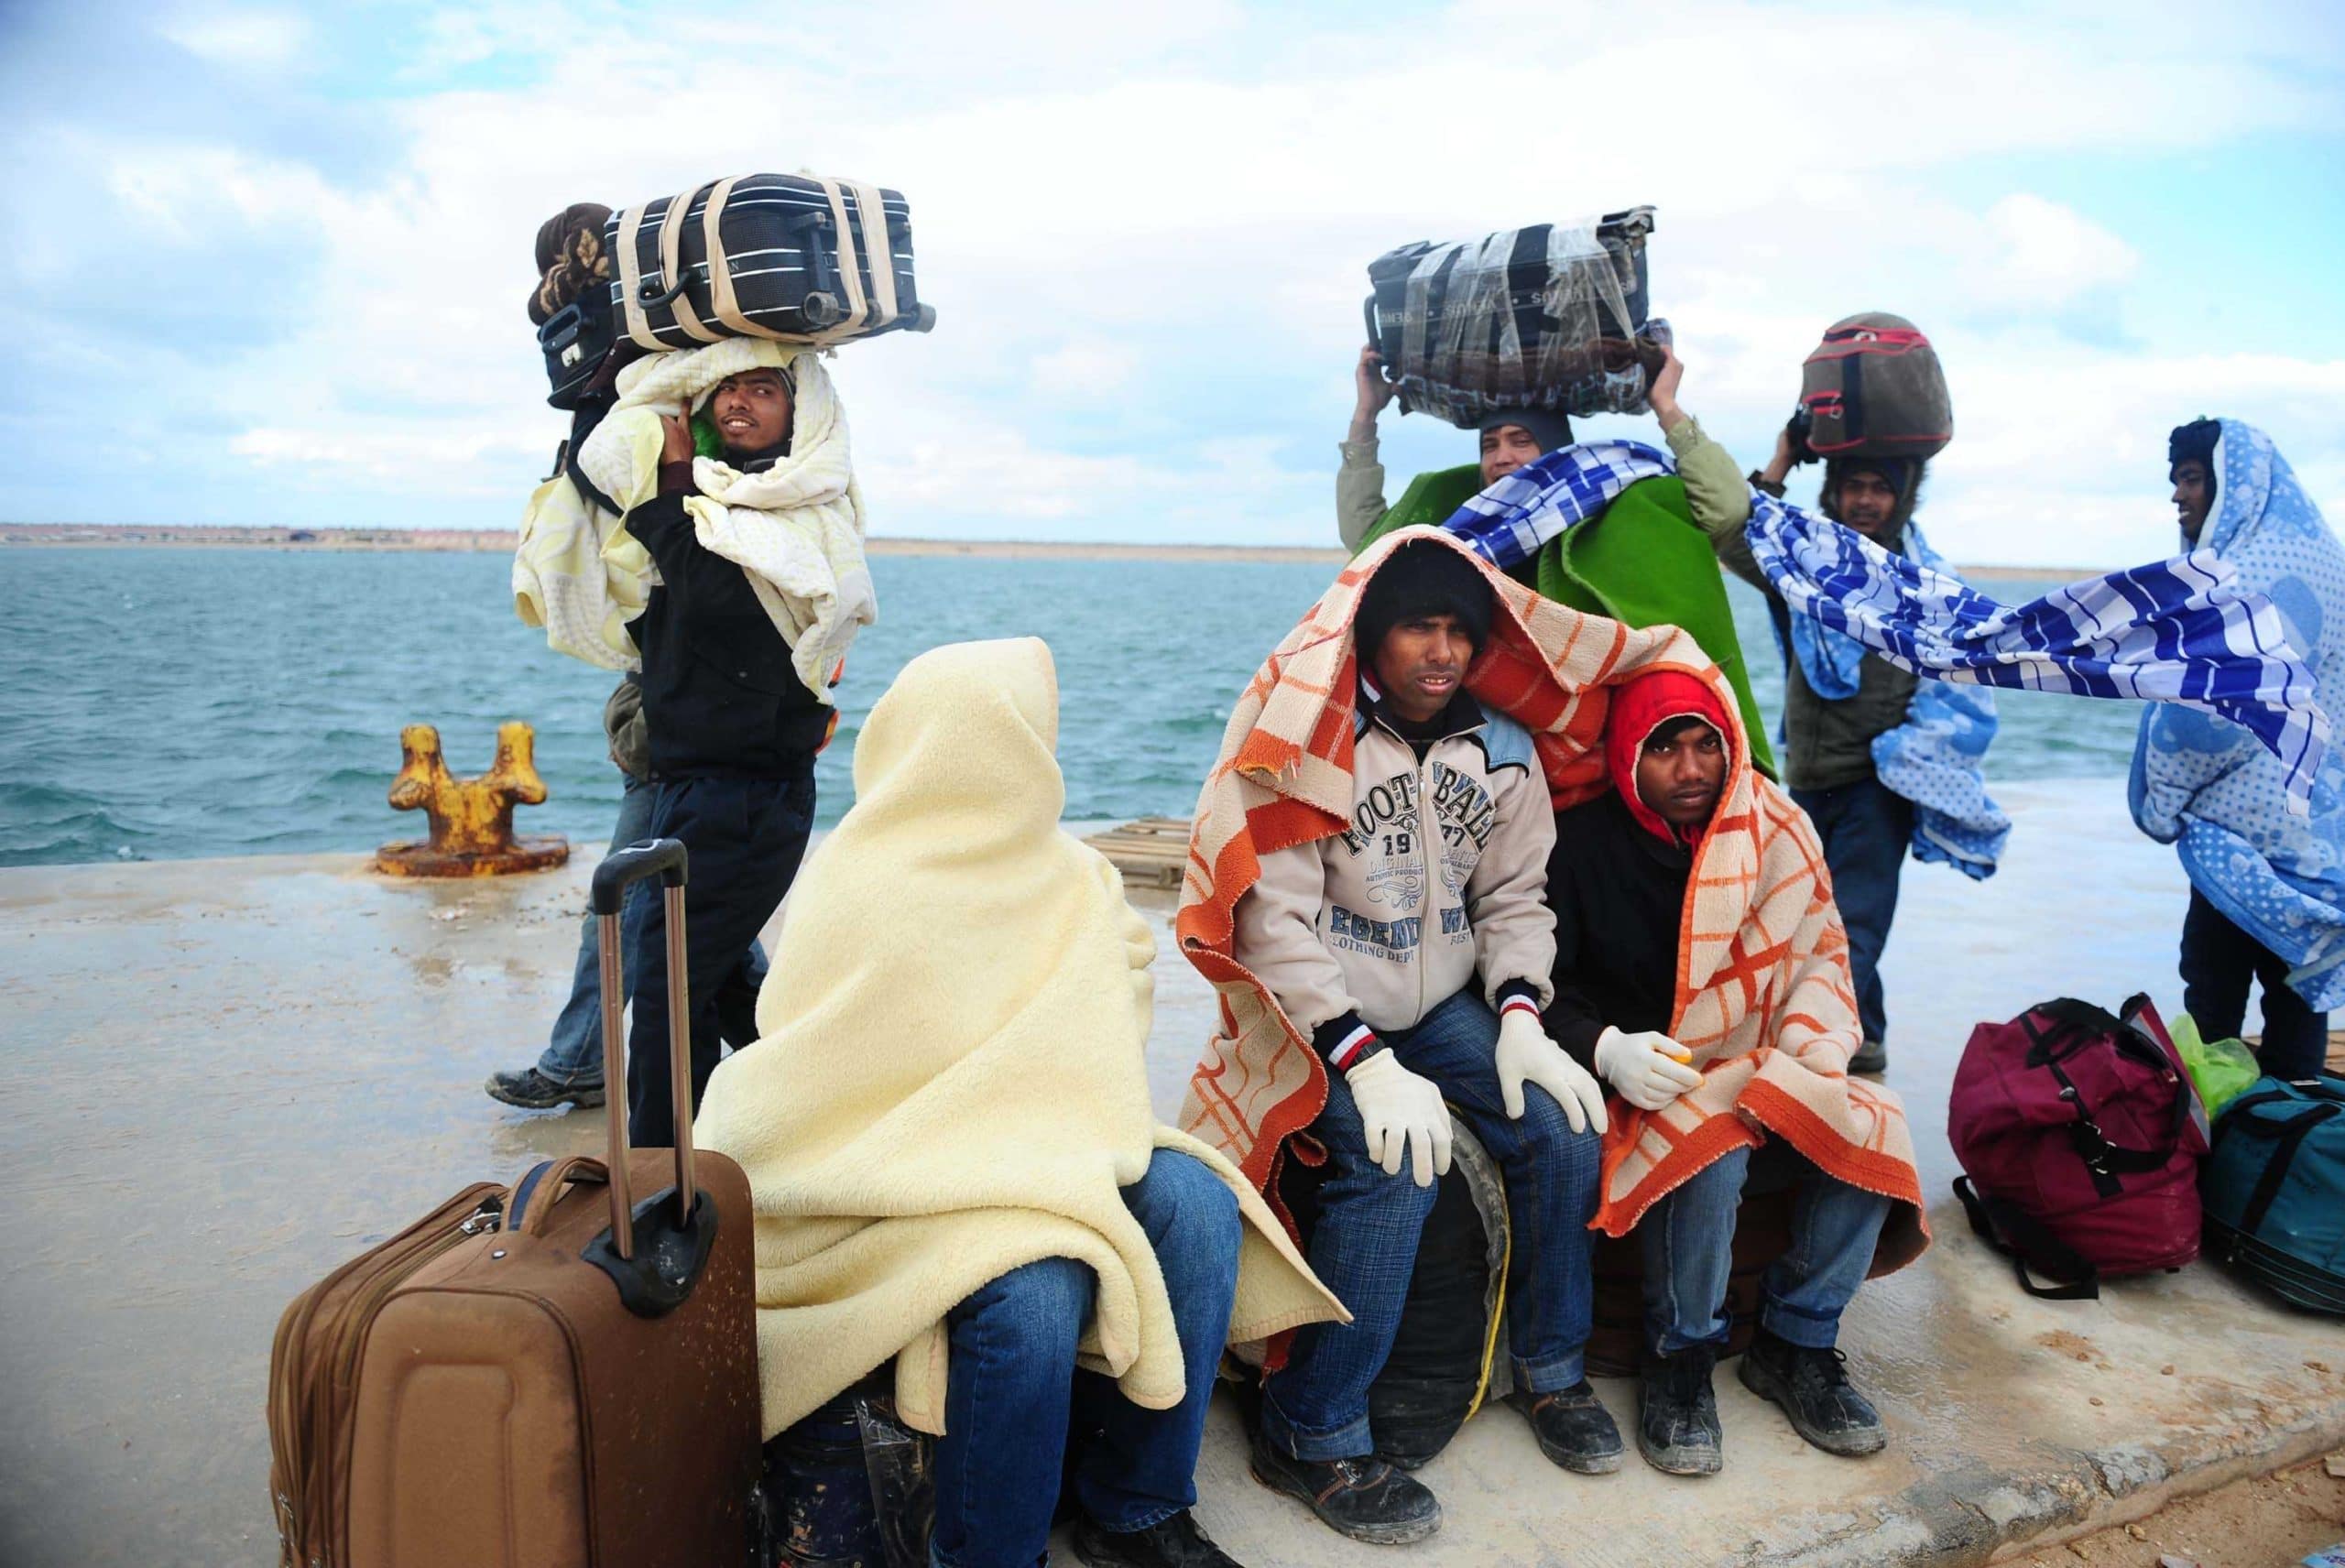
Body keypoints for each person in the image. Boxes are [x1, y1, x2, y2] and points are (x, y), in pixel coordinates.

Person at [693, 638, 1342, 1568]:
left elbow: (1106, 1019)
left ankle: (1140, 1504)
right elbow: (820, 1060)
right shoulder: (857, 876)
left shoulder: (1074, 873)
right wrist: (996, 1137)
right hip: (900, 1174)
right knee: (1038, 1290)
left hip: (1048, 1140)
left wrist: (1039, 1123)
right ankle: (992, 1550)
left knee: (1199, 1208)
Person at [1230, 539, 1611, 1542]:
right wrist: (1358, 1054)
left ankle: (1552, 1369)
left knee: (1563, 1127)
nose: (1439, 651)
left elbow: (1514, 897)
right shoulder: (1309, 739)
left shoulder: (1507, 750)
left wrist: (1522, 1013)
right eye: (1417, 626)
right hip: (1317, 1014)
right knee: (1397, 1166)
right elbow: (1273, 921)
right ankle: (1308, 1428)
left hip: (1443, 999)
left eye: (1458, 630)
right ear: (1370, 634)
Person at [1545, 668, 1903, 1475]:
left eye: (1707, 744)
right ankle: (1680, 1358)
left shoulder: (1770, 834)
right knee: (1713, 1144)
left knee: (1870, 1116)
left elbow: (1819, 957)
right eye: (1663, 747)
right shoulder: (1581, 846)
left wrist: (1811, 1054)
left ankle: (1798, 1342)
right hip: (1643, 1081)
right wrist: (1607, 1048)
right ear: (1627, 755)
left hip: (1757, 1062)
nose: (1691, 768)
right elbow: (1539, 992)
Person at [1652, 348, 1928, 1075]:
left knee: (1855, 926)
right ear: (1833, 493)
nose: (1866, 501)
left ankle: (1822, 1065)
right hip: (1809, 776)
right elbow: (1738, 536)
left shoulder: (1915, 585)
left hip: (1879, 781)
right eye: (1853, 486)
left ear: (1903, 498)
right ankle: (1863, 1039)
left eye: (1880, 488)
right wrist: (1779, 458)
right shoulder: (1811, 572)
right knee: (1816, 916)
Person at [616, 357, 834, 1146]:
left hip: (747, 796)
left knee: (667, 985)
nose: (740, 401)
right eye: (727, 388)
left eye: (765, 389)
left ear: (799, 412)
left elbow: (716, 602)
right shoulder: (716, 494)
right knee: (702, 982)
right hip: (688, 786)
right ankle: (799, 1120)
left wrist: (675, 481)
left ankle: (659, 1183)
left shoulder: (799, 507)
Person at [2138, 418, 2345, 1080]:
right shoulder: (2322, 561)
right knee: (2296, 1001)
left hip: (2244, 833)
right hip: (2317, 834)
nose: (2179, 495)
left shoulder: (2242, 580)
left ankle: (2216, 1152)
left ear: (2235, 485)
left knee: (2213, 1000)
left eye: (2193, 478)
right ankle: (2295, 1155)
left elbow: (2205, 716)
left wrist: (2158, 800)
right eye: (2175, 480)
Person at [484, 674, 769, 1111]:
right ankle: (774, 1044)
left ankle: (578, 1062)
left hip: (671, 751)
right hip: (686, 742)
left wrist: (638, 733)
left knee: (620, 903)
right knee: (706, 906)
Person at [1338, 343, 1573, 551]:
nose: (1501, 457)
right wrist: (1366, 413)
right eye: (1489, 446)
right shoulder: (1460, 524)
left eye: (1521, 442)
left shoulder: (1591, 524)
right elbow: (1368, 542)